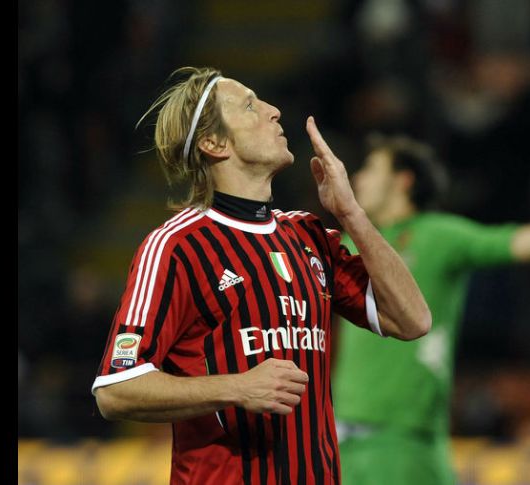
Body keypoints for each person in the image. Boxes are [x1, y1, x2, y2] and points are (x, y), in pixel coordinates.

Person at [91, 67, 431, 485]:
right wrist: (237, 388)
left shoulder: (308, 237)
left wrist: (352, 215)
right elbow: (116, 389)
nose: (273, 111)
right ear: (214, 143)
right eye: (250, 105)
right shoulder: (178, 246)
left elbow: (414, 320)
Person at [332, 134, 530, 485]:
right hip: (341, 438)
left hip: (403, 439)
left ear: (403, 181)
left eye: (372, 168)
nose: (358, 177)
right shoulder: (350, 244)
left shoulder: (438, 236)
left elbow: (509, 242)